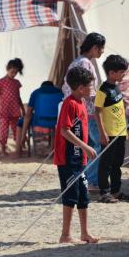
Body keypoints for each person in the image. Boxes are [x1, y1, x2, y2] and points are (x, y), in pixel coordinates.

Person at [54, 66, 99, 244]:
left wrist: (84, 151)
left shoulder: (81, 103)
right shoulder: (70, 103)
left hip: (79, 159)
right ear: (81, 87)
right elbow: (64, 130)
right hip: (68, 159)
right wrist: (85, 146)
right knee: (70, 196)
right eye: (90, 85)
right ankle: (65, 235)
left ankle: (85, 233)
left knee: (83, 196)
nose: (92, 89)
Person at [62, 32, 105, 191]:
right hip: (86, 112)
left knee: (82, 147)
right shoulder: (86, 64)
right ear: (94, 48)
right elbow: (88, 90)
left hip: (75, 110)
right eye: (101, 49)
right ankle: (92, 181)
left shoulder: (75, 62)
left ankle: (84, 180)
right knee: (96, 146)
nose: (102, 52)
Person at [95, 55, 129, 203]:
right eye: (121, 72)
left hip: (120, 132)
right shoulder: (103, 90)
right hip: (109, 133)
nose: (124, 75)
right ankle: (104, 192)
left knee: (117, 163)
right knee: (106, 164)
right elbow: (96, 112)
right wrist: (102, 133)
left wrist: (125, 129)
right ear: (111, 72)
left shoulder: (116, 87)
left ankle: (116, 191)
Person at [15, 81, 63, 157]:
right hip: (57, 122)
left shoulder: (36, 93)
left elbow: (28, 114)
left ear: (41, 86)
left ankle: (18, 151)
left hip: (40, 121)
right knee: (54, 125)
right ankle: (52, 151)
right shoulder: (61, 93)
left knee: (20, 122)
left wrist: (24, 135)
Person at [0, 58, 25, 156]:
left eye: (16, 72)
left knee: (17, 130)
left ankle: (18, 148)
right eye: (12, 71)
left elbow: (18, 96)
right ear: (7, 69)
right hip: (4, 110)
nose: (14, 74)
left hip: (15, 110)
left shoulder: (16, 83)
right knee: (3, 130)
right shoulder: (1, 82)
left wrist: (23, 108)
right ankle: (3, 150)